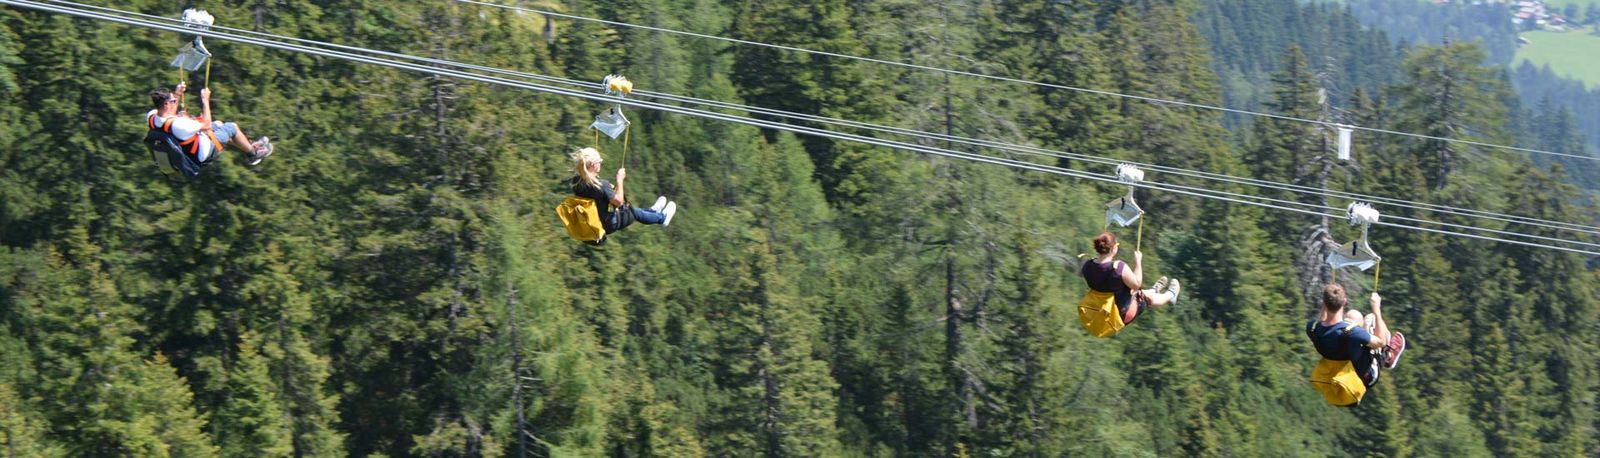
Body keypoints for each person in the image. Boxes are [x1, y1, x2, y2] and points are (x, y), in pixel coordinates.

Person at [147, 82, 273, 167]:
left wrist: (178, 94)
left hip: (189, 149)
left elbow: (170, 115)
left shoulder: (152, 117)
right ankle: (253, 153)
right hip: (203, 153)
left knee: (218, 124)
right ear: (166, 105)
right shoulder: (180, 124)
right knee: (231, 127)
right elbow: (206, 125)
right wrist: (205, 100)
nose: (175, 101)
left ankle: (248, 145)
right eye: (173, 100)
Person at [1307, 284, 1406, 389]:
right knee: (1372, 319)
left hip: (1335, 372)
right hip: (1364, 377)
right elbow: (1381, 342)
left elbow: (1322, 321)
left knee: (1353, 315)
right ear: (1344, 302)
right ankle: (1388, 356)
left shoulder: (1312, 328)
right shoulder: (1354, 333)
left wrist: (1327, 300)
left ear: (1324, 303)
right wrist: (1376, 309)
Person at [1078, 232, 1180, 333]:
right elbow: (1137, 284)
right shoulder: (1118, 268)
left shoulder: (1087, 265)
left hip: (1098, 312)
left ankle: (1154, 290)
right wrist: (1138, 261)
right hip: (1118, 315)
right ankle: (1171, 295)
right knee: (1144, 298)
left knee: (1129, 289)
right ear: (1113, 249)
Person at [568, 147, 677, 236]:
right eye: (599, 161)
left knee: (633, 211)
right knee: (635, 213)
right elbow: (619, 202)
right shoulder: (601, 185)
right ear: (593, 165)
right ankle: (662, 218)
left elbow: (598, 199)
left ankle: (653, 211)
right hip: (609, 224)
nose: (601, 163)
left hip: (597, 221)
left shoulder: (576, 182)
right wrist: (620, 180)